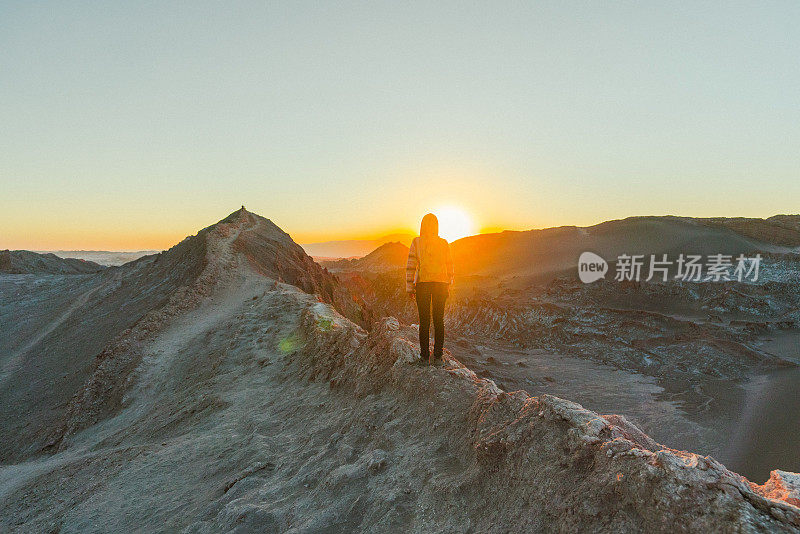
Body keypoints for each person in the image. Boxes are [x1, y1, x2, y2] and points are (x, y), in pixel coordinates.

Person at [406, 213, 454, 365]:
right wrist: (449, 285)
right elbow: (450, 266)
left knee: (424, 322)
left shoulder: (417, 242)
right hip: (441, 285)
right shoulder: (444, 243)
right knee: (439, 321)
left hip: (423, 285)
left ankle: (424, 357)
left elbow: (411, 265)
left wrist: (409, 287)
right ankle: (438, 357)